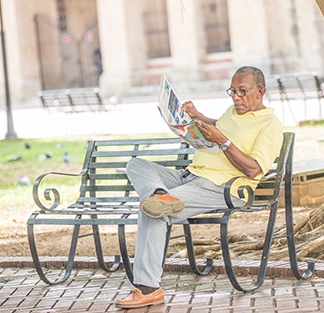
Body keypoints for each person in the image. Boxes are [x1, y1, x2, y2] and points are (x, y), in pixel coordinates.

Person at [115, 66, 283, 309]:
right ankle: (160, 194)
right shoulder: (233, 111)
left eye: (242, 91)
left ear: (261, 91)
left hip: (223, 187)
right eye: (232, 91)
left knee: (154, 212)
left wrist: (222, 141)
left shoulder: (269, 124)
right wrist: (196, 117)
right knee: (137, 165)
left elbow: (254, 169)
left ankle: (148, 288)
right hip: (190, 176)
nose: (236, 97)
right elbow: (220, 126)